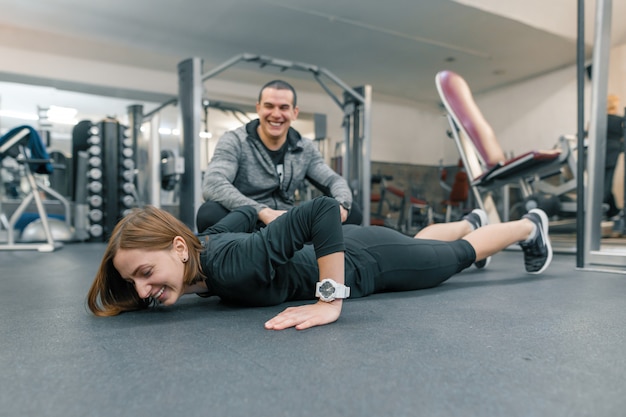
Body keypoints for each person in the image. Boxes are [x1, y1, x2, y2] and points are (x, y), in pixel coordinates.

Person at [87, 197, 553, 330]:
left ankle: (530, 225)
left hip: (366, 263)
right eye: (134, 281)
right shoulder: (201, 245)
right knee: (415, 243)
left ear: (178, 248)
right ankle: (470, 220)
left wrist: (329, 300)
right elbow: (240, 212)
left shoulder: (230, 264)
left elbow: (323, 209)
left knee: (456, 257)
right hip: (355, 245)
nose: (142, 289)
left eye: (145, 273)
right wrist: (266, 214)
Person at [196, 79, 361, 232]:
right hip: (248, 219)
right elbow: (213, 184)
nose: (276, 114)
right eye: (269, 106)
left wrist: (341, 204)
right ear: (258, 108)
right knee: (209, 213)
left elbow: (334, 180)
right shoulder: (234, 141)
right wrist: (262, 211)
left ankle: (319, 257)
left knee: (352, 212)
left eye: (283, 107)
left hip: (287, 219)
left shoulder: (304, 148)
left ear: (294, 112)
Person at [604, 94, 625, 218]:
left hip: (598, 156)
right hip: (612, 155)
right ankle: (613, 211)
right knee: (606, 186)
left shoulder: (598, 119)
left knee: (604, 186)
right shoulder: (619, 120)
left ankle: (613, 211)